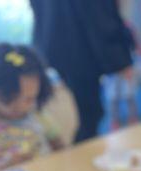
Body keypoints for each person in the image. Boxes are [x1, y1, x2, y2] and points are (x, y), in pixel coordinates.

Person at [30, 0, 134, 143]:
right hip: (79, 52)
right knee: (90, 115)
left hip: (55, 47)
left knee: (88, 115)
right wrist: (121, 60)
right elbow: (100, 18)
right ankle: (81, 159)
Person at [0, 43, 62, 171]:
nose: (20, 107)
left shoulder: (38, 115)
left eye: (29, 99)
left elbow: (61, 148)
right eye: (10, 100)